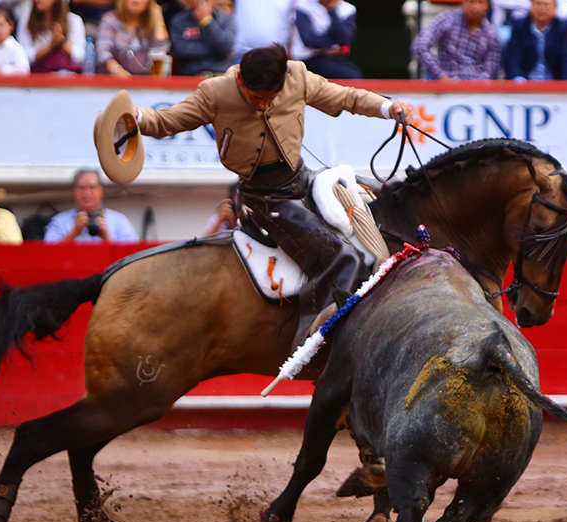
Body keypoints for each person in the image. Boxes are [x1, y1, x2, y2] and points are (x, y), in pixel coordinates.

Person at [132, 44, 413, 340]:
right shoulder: (215, 92)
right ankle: (312, 339)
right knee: (342, 256)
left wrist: (387, 107)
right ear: (241, 80)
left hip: (302, 179)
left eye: (271, 99)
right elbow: (167, 121)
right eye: (257, 99)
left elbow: (345, 97)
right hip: (262, 197)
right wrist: (136, 117)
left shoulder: (298, 76)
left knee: (374, 206)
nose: (264, 106)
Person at [410, 0, 502, 80]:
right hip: (446, 86)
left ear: (487, 5)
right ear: (463, 2)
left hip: (479, 90)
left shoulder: (492, 32)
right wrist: (441, 76)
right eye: (471, 1)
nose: (475, 7)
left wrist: (477, 86)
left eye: (480, 2)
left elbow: (491, 70)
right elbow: (420, 46)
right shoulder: (446, 19)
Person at [43, 169, 139, 242]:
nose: (87, 193)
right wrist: (75, 232)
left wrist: (106, 238)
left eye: (92, 187)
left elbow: (131, 258)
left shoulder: (119, 220)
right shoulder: (60, 221)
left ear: (101, 191)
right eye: (81, 188)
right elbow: (47, 255)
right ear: (74, 192)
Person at [503, 0, 567, 81]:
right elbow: (513, 57)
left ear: (555, 8)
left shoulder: (564, 28)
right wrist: (518, 78)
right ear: (531, 5)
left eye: (546, 4)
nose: (541, 8)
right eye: (538, 4)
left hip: (554, 83)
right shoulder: (519, 26)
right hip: (525, 83)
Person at [291, 0, 362, 80]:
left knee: (354, 74)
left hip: (333, 58)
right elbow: (310, 40)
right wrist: (332, 44)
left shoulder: (347, 8)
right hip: (306, 59)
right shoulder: (303, 5)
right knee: (350, 75)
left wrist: (332, 10)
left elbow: (345, 38)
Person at [96, 0, 169, 75]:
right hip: (113, 81)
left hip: (146, 82)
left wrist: (158, 17)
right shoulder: (111, 20)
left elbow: (161, 51)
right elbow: (102, 52)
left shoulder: (151, 24)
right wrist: (117, 70)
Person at [15, 0, 86, 73]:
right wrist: (50, 46)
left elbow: (80, 57)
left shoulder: (73, 20)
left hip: (66, 74)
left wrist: (63, 43)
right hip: (36, 75)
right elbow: (23, 56)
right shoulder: (26, 20)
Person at [168, 0, 235, 76]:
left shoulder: (226, 19)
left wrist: (207, 21)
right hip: (191, 75)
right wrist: (216, 50)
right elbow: (181, 50)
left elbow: (226, 47)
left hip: (219, 74)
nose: (202, 2)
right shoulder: (178, 20)